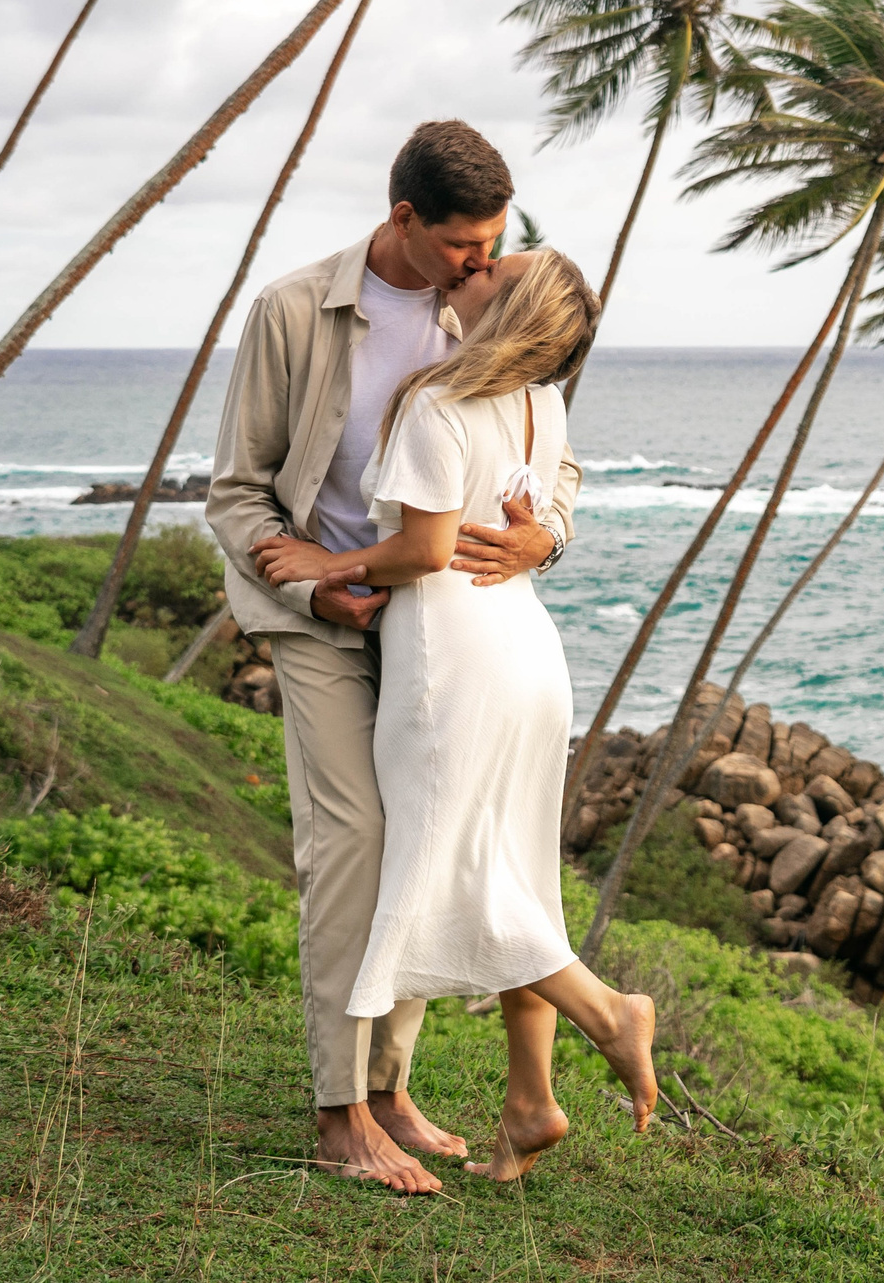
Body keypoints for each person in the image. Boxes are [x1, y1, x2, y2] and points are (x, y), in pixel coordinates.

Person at [206, 120, 577, 1194]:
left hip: (438, 624)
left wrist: (546, 538)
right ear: (403, 218)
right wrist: (314, 580)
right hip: (318, 613)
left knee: (421, 824)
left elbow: (551, 464)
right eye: (464, 243)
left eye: (495, 241)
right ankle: (336, 1116)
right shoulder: (293, 311)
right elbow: (237, 487)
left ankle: (388, 1086)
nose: (483, 262)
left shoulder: (490, 309)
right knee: (356, 838)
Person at [255, 248, 657, 1183]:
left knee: (452, 879)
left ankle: (607, 1013)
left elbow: (426, 548)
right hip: (525, 652)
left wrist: (329, 565)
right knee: (513, 870)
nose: (462, 274)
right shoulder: (540, 401)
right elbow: (533, 504)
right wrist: (539, 533)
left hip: (452, 665)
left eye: (483, 271)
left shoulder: (439, 401)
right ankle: (529, 1104)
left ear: (501, 306)